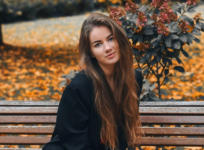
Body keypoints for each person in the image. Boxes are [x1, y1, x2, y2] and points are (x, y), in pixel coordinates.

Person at [42, 13, 144, 150]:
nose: (107, 48)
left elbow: (122, 135)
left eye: (111, 39)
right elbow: (77, 143)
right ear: (91, 52)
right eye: (98, 44)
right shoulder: (79, 88)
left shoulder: (134, 78)